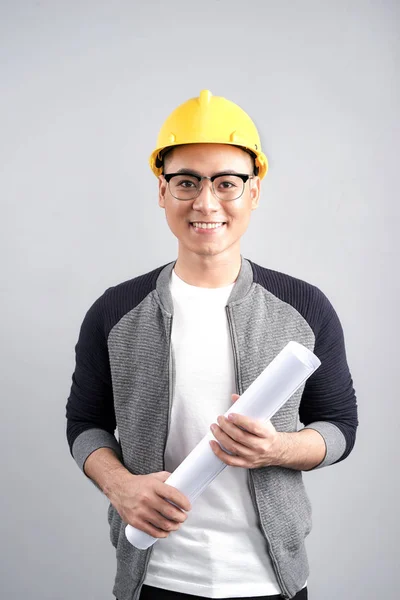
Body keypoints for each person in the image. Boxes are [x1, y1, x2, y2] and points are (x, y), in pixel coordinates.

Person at [66, 90, 358, 600]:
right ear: (162, 191)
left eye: (227, 183)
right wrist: (121, 486)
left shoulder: (304, 308)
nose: (206, 202)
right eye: (186, 183)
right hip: (154, 578)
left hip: (271, 582)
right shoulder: (115, 312)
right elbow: (84, 424)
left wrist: (278, 449)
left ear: (254, 192)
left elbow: (339, 427)